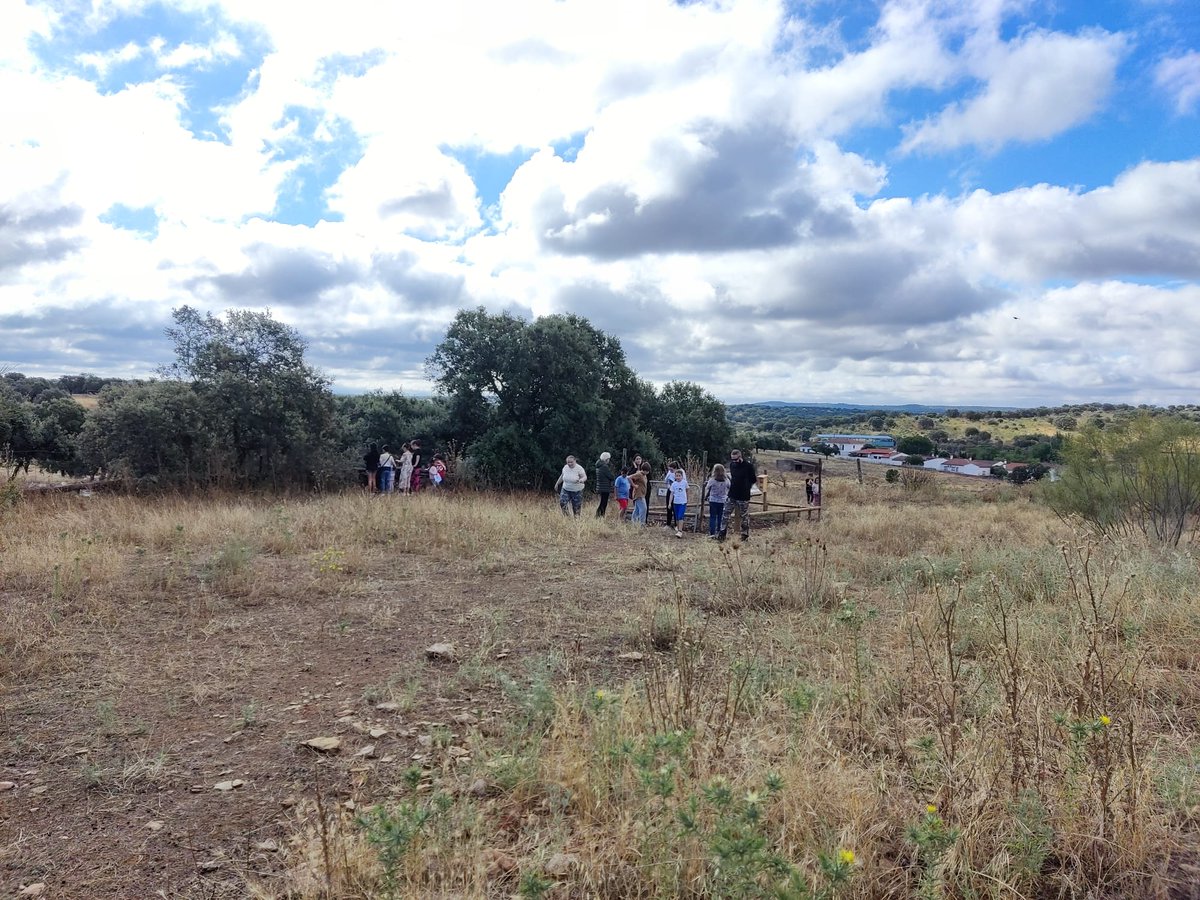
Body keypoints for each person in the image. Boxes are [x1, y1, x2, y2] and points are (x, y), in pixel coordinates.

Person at [720, 448, 757, 542]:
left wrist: (746, 487)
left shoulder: (748, 466)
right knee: (725, 513)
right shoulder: (732, 465)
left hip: (743, 495)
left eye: (736, 459)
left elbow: (753, 479)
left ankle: (745, 535)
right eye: (732, 459)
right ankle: (722, 534)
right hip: (732, 494)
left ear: (740, 457)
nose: (734, 461)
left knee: (744, 515)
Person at [704, 463, 729, 538]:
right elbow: (729, 487)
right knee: (720, 517)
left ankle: (712, 533)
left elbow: (707, 487)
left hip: (713, 500)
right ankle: (719, 531)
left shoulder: (712, 480)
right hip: (723, 500)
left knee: (713, 517)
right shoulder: (726, 480)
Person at [669, 466, 689, 538]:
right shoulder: (673, 484)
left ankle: (680, 531)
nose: (678, 477)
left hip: (682, 502)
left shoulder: (685, 483)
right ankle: (678, 528)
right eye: (676, 476)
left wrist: (687, 499)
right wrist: (669, 503)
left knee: (680, 516)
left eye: (679, 476)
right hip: (675, 502)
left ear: (682, 476)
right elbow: (671, 494)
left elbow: (687, 491)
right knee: (677, 517)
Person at [595, 452, 614, 517]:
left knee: (602, 502)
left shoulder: (598, 466)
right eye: (608, 459)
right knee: (603, 503)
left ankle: (598, 516)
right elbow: (611, 476)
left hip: (600, 487)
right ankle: (600, 516)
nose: (609, 461)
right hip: (605, 487)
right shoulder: (604, 467)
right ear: (606, 459)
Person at [663, 460, 677, 527]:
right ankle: (668, 523)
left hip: (676, 492)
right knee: (669, 507)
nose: (670, 471)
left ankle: (676, 524)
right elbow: (665, 480)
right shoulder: (669, 473)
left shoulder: (679, 473)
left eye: (671, 469)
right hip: (669, 490)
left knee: (675, 508)